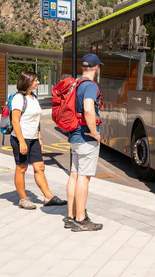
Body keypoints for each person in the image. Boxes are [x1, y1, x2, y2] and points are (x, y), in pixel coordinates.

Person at [10, 71, 67, 209]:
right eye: (36, 80)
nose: (38, 82)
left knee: (39, 167)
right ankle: (23, 199)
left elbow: (37, 120)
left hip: (34, 138)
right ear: (28, 82)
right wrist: (22, 142)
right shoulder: (18, 98)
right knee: (21, 168)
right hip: (21, 139)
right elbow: (15, 121)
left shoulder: (33, 97)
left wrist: (39, 138)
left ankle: (49, 197)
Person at [64, 54, 104, 232]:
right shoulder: (90, 86)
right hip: (86, 138)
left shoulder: (76, 84)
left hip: (74, 136)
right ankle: (81, 219)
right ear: (96, 68)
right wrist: (95, 133)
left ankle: (71, 217)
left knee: (74, 175)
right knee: (84, 177)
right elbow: (88, 109)